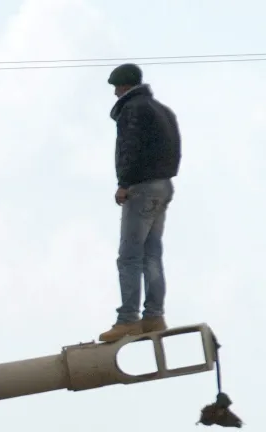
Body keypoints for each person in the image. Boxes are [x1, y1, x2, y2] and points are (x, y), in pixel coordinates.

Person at [99, 64, 181, 344]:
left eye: (115, 87)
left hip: (142, 188)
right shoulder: (161, 109)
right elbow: (175, 148)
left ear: (123, 86)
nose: (113, 92)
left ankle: (128, 319)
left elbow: (129, 148)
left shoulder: (133, 110)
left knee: (130, 256)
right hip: (164, 185)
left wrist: (124, 183)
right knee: (152, 254)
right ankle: (154, 316)